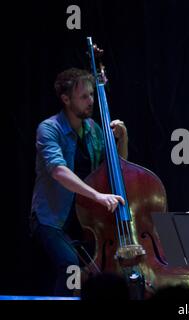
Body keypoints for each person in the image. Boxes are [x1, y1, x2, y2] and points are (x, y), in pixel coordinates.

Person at [30, 68, 129, 296]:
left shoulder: (93, 130)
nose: (91, 101)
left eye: (92, 95)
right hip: (51, 220)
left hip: (85, 221)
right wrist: (97, 196)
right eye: (84, 96)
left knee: (100, 275)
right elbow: (58, 171)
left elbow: (118, 168)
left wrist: (122, 138)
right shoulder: (48, 128)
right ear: (66, 99)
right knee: (71, 266)